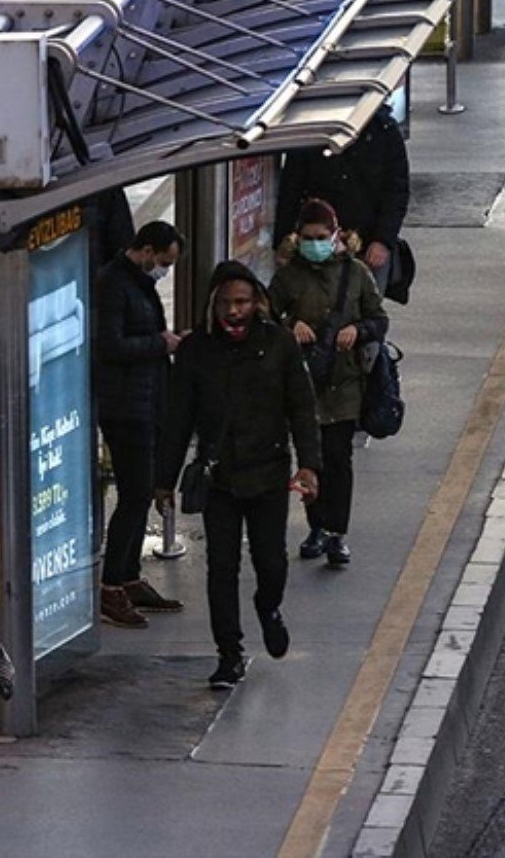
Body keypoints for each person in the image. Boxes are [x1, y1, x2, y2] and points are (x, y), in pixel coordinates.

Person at [156, 261, 322, 689]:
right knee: (221, 567)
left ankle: (269, 607)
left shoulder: (280, 344)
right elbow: (178, 420)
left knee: (271, 563)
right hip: (220, 476)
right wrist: (164, 481)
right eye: (227, 303)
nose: (234, 311)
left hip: (268, 473)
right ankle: (228, 653)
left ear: (257, 303)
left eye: (243, 302)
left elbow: (301, 408)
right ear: (214, 304)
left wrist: (308, 465)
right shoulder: (195, 352)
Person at [269, 199, 388, 567]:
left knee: (339, 458)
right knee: (312, 458)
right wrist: (290, 325)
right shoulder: (288, 277)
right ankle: (316, 526)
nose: (314, 244)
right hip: (303, 383)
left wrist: (358, 329)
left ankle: (337, 532)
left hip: (345, 380)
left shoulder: (355, 274)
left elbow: (378, 319)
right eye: (307, 237)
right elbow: (268, 318)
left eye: (321, 237)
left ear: (336, 235)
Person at [93, 221, 186, 628]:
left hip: (144, 399)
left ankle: (128, 577)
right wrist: (159, 344)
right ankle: (111, 585)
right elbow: (110, 345)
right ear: (146, 251)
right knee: (133, 495)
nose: (164, 270)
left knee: (141, 491)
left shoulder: (135, 283)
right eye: (164, 262)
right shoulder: (113, 284)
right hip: (123, 406)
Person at [274, 108, 411, 292]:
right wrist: (283, 242)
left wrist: (383, 240)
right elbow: (290, 190)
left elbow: (396, 191)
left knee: (366, 306)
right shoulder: (312, 132)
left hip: (368, 242)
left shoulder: (384, 130)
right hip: (318, 241)